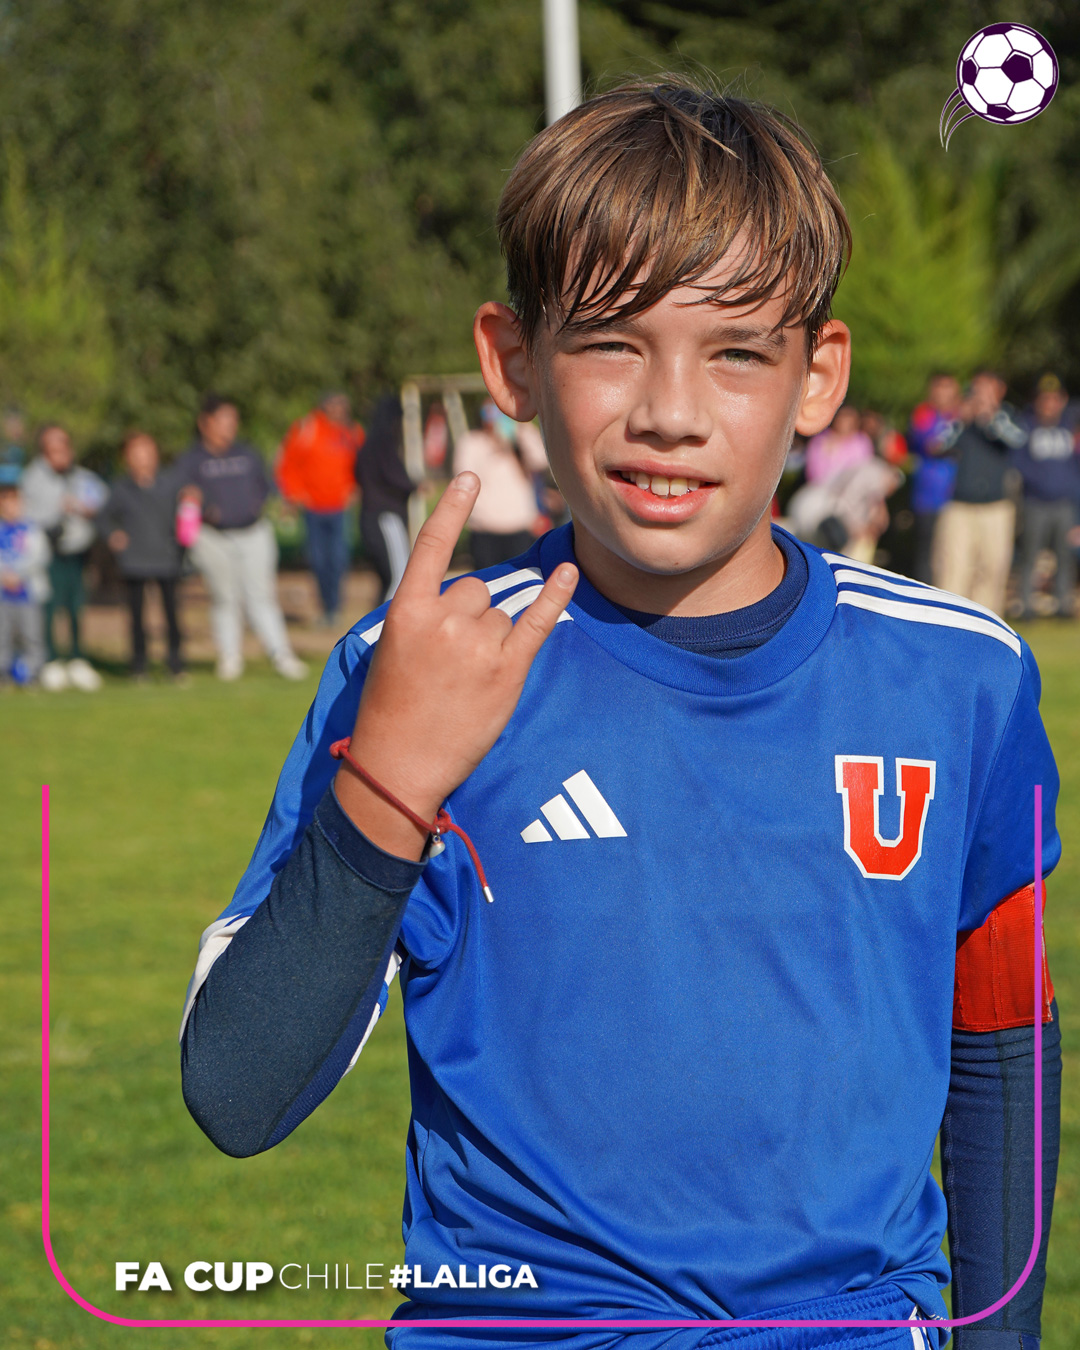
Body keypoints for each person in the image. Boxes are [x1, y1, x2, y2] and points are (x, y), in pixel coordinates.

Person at [180, 83, 1059, 1350]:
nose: (670, 412)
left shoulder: (962, 674)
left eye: (736, 352)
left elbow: (1003, 1042)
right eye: (610, 343)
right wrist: (390, 784)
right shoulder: (418, 666)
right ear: (513, 362)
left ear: (819, 376)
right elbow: (237, 1091)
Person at [174, 394, 307, 681]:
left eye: (233, 420)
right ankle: (230, 657)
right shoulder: (191, 460)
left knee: (261, 595)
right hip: (212, 537)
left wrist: (275, 504)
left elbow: (267, 487)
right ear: (205, 422)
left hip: (253, 532)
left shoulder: (248, 454)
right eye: (223, 419)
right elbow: (182, 496)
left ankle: (281, 654)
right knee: (225, 597)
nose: (229, 426)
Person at [20, 423, 107, 691]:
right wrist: (55, 514)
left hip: (78, 553)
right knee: (49, 607)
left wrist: (88, 509)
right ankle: (51, 660)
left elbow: (101, 498)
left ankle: (78, 659)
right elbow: (27, 516)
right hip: (47, 554)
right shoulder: (32, 479)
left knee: (76, 606)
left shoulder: (81, 477)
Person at [933, 372, 1026, 616]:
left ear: (999, 391)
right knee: (953, 568)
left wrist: (990, 416)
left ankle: (986, 624)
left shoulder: (1006, 416)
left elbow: (1018, 441)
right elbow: (937, 445)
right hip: (959, 506)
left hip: (996, 508)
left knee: (993, 570)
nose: (981, 395)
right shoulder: (960, 418)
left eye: (987, 389)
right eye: (977, 389)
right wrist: (961, 420)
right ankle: (951, 621)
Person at [98, 431, 186, 680]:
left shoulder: (170, 485)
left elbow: (185, 512)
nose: (143, 457)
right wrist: (114, 535)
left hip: (166, 557)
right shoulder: (121, 488)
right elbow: (104, 518)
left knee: (172, 613)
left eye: (147, 451)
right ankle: (139, 664)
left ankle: (176, 663)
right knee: (137, 615)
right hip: (135, 560)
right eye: (136, 453)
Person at [276, 392, 363, 627]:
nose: (338, 410)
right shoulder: (307, 428)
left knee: (339, 558)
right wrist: (294, 494)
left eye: (342, 405)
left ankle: (335, 607)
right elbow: (288, 463)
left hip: (340, 507)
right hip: (313, 507)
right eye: (334, 405)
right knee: (318, 559)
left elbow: (362, 464)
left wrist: (356, 487)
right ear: (324, 406)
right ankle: (326, 606)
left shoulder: (352, 432)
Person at [1013, 374, 1080, 620]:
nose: (1049, 404)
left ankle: (1063, 604)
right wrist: (1038, 484)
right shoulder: (1027, 425)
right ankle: (1026, 605)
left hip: (1064, 503)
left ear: (1062, 400)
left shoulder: (1070, 425)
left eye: (1054, 399)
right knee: (1030, 554)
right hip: (1035, 502)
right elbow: (1019, 463)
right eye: (1045, 399)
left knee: (1065, 555)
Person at [453, 398, 549, 567]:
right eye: (490, 413)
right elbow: (464, 475)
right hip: (484, 527)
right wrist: (493, 449)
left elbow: (541, 460)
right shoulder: (472, 442)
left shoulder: (520, 438)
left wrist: (519, 433)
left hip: (520, 525)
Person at [356, 392, 417, 605]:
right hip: (385, 517)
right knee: (398, 576)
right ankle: (388, 622)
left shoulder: (367, 446)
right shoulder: (383, 445)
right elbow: (393, 476)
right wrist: (414, 485)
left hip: (372, 516)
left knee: (387, 577)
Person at [907, 375, 963, 584]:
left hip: (958, 496)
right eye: (940, 388)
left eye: (948, 388)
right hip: (928, 496)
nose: (944, 393)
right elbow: (933, 445)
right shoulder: (923, 414)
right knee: (927, 552)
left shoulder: (962, 415)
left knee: (954, 552)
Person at [0, 469, 49, 686]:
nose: (10, 506)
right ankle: (3, 671)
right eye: (5, 502)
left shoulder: (31, 529)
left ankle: (33, 671)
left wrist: (17, 574)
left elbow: (39, 556)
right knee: (3, 635)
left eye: (14, 501)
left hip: (28, 593)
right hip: (3, 593)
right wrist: (5, 575)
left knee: (32, 635)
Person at [803, 403, 873, 484]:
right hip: (822, 486)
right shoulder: (820, 440)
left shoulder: (862, 442)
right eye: (842, 419)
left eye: (849, 421)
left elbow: (864, 468)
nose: (844, 424)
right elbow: (813, 471)